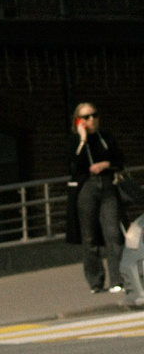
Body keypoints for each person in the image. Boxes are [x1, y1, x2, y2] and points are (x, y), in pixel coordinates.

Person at [70, 102, 123, 296]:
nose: (91, 119)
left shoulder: (106, 138)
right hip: (86, 189)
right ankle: (95, 281)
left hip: (107, 187)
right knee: (89, 237)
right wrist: (82, 139)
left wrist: (105, 164)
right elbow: (75, 165)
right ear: (78, 121)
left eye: (94, 115)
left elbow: (119, 160)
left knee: (113, 234)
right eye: (86, 117)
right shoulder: (75, 140)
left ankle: (117, 279)